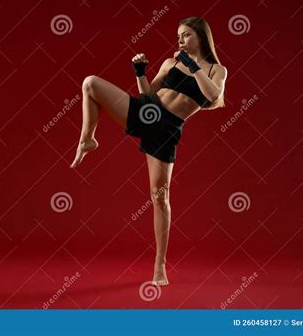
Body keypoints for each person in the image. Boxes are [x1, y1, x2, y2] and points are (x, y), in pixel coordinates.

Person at [70, 17, 228, 286]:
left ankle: (159, 266)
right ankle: (88, 139)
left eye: (186, 35)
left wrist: (193, 67)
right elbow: (147, 95)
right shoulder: (171, 63)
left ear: (201, 36)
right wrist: (140, 72)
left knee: (160, 197)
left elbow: (213, 95)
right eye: (178, 35)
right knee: (90, 83)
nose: (179, 40)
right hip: (147, 112)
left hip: (166, 131)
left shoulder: (216, 70)